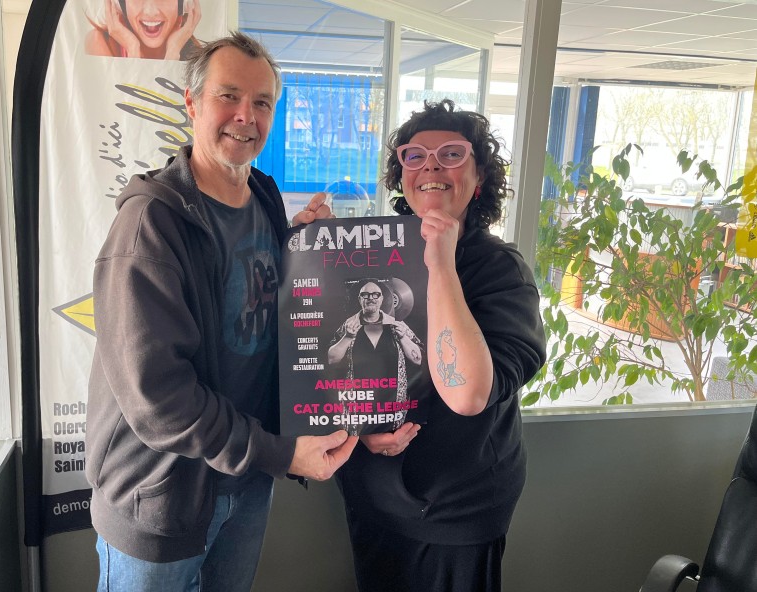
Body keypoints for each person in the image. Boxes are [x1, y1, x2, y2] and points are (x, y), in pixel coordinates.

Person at [85, 32, 356, 592]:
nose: (245, 116)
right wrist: (281, 452)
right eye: (228, 96)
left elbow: (256, 307)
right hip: (162, 501)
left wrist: (305, 248)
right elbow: (160, 400)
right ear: (192, 103)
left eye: (262, 102)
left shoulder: (264, 196)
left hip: (245, 485)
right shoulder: (150, 225)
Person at [335, 99, 547, 592]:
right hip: (371, 494)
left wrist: (442, 263)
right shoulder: (376, 256)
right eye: (415, 156)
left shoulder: (500, 271)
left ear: (479, 178)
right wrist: (359, 432)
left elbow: (467, 393)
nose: (431, 166)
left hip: (455, 512)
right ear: (402, 177)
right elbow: (339, 371)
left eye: (452, 154)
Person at [327, 279, 423, 435]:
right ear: (359, 299)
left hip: (393, 410)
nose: (370, 298)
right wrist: (348, 337)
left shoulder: (397, 325)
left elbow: (418, 360)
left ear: (382, 298)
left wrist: (403, 337)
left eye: (375, 294)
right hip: (357, 410)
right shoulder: (348, 326)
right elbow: (332, 359)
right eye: (365, 295)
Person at [85, 0, 202, 60]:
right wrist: (133, 49)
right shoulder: (100, 42)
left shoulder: (197, 57)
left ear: (183, 4)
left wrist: (172, 54)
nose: (150, 12)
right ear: (119, 4)